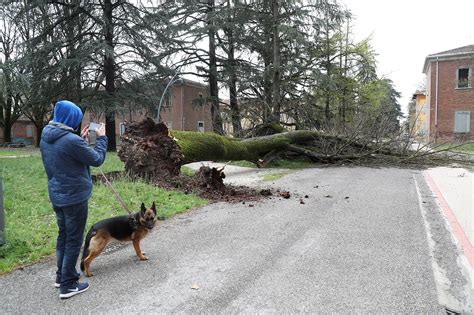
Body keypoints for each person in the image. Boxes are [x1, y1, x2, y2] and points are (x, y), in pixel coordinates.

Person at [40, 100, 107, 299]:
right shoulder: (71, 140)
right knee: (73, 240)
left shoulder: (46, 135)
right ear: (72, 118)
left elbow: (67, 154)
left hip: (57, 195)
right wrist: (101, 139)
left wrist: (80, 139)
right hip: (74, 197)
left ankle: (61, 276)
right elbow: (96, 159)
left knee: (63, 236)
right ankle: (68, 285)